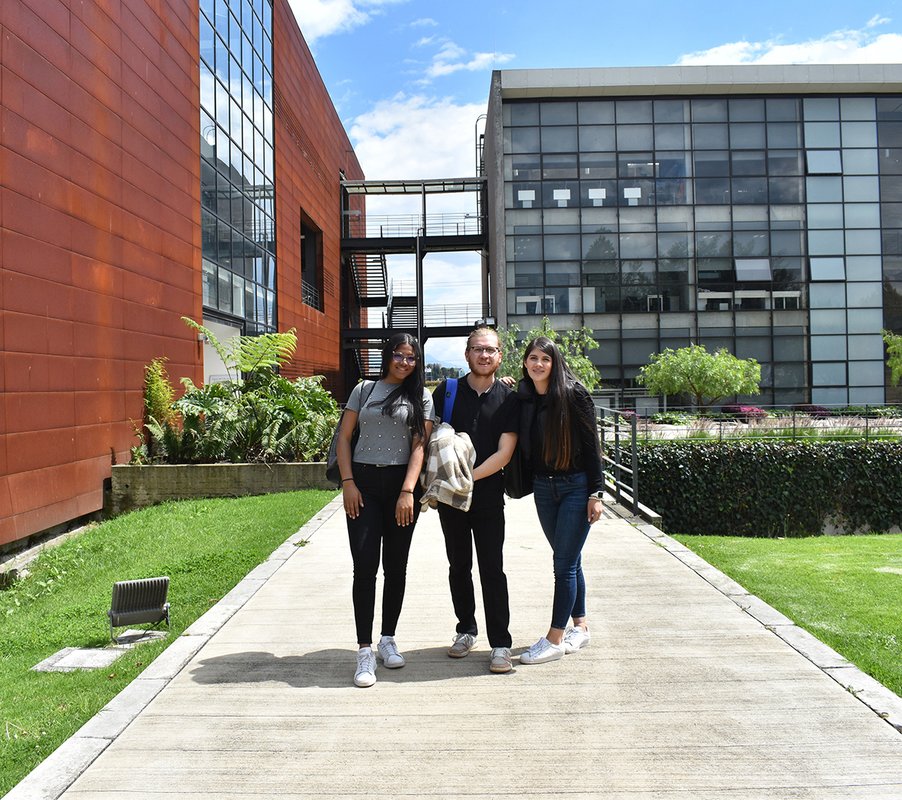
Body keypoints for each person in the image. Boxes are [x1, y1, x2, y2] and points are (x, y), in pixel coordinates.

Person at [335, 333, 435, 687]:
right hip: (362, 485)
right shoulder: (363, 390)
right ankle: (364, 651)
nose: (405, 363)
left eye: (412, 358)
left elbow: (419, 446)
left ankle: (387, 639)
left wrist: (408, 490)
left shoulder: (420, 396)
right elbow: (344, 438)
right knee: (364, 567)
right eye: (399, 355)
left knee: (396, 567)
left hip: (399, 488)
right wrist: (348, 483)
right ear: (388, 355)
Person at [432, 327, 519, 674]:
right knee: (458, 566)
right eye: (478, 349)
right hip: (452, 497)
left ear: (500, 356)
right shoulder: (447, 391)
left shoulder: (509, 397)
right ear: (466, 354)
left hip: (487, 496)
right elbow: (429, 437)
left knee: (492, 568)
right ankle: (465, 630)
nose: (485, 355)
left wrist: (468, 479)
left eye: (491, 350)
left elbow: (505, 452)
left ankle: (501, 643)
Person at [515, 336, 604, 665]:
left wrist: (597, 493)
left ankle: (554, 639)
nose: (538, 364)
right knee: (569, 557)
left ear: (555, 363)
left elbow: (592, 446)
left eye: (545, 359)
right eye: (533, 358)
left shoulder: (574, 394)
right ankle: (580, 626)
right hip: (543, 489)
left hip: (575, 487)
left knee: (563, 564)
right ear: (525, 362)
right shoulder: (525, 397)